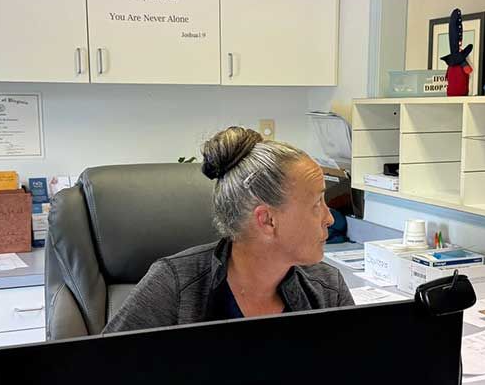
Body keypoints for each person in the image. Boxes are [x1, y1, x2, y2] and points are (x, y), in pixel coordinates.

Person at [104, 126, 354, 333]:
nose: (329, 218)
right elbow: (99, 373)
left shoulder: (327, 288)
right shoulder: (173, 286)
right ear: (267, 220)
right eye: (316, 204)